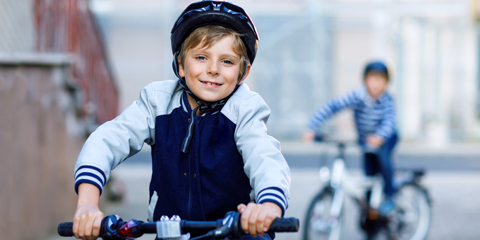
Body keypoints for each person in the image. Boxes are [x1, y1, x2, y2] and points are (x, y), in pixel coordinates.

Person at [72, 1, 291, 240]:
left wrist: (268, 206)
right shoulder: (157, 102)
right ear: (180, 65)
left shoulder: (245, 109)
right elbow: (106, 140)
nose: (213, 69)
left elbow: (264, 157)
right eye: (201, 57)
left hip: (236, 232)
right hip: (171, 232)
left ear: (243, 72)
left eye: (227, 61)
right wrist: (88, 203)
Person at [302, 61, 398, 215]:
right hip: (366, 142)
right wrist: (312, 127)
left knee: (384, 161)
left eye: (381, 80)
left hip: (386, 139)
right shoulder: (358, 96)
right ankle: (370, 213)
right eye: (373, 79)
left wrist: (380, 136)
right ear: (365, 80)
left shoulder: (387, 100)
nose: (376, 84)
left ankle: (390, 196)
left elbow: (390, 121)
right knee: (369, 174)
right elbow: (333, 106)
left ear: (386, 83)